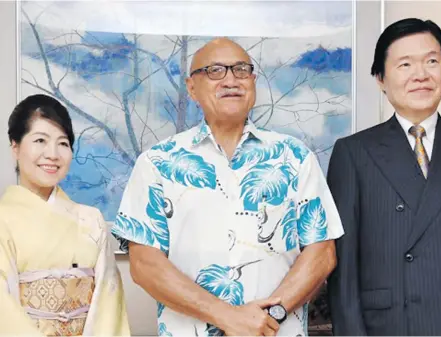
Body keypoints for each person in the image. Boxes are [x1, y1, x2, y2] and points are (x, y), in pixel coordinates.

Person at [112, 37, 344, 336]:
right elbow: (145, 265)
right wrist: (226, 316)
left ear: (253, 82)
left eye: (241, 70)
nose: (231, 79)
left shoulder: (294, 156)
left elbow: (322, 253)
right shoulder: (157, 163)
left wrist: (269, 317)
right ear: (192, 87)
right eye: (215, 71)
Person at [327, 18, 441, 336]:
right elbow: (345, 271)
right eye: (405, 64)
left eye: (432, 61)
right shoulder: (353, 153)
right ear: (380, 78)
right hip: (390, 327)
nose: (421, 75)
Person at [0, 94, 130, 336]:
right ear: (15, 147)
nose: (53, 154)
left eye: (63, 143)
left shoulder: (91, 220)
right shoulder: (3, 219)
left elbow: (108, 304)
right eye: (40, 140)